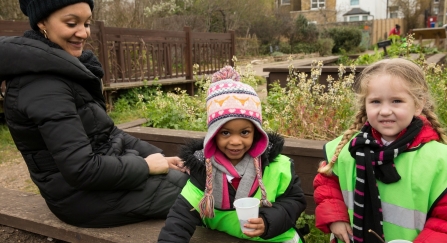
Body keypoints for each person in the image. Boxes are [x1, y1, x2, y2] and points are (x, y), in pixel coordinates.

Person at [0, 0, 189, 227]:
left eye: (87, 23)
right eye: (72, 23)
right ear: (42, 22)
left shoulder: (64, 69)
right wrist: (147, 166)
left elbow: (108, 133)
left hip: (104, 180)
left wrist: (161, 158)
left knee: (202, 182)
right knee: (206, 195)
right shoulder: (43, 86)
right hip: (83, 198)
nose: (83, 33)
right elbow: (81, 169)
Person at [157, 66, 307, 242]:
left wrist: (268, 221)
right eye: (225, 133)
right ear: (213, 135)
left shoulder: (278, 167)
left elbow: (295, 202)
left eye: (244, 132)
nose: (235, 141)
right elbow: (180, 218)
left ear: (256, 133)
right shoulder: (203, 171)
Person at [313, 58, 447, 243]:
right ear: (365, 104)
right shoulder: (346, 149)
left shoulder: (438, 160)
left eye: (396, 101)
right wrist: (335, 216)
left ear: (418, 104)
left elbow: (443, 220)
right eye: (375, 101)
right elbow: (327, 183)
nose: (385, 111)